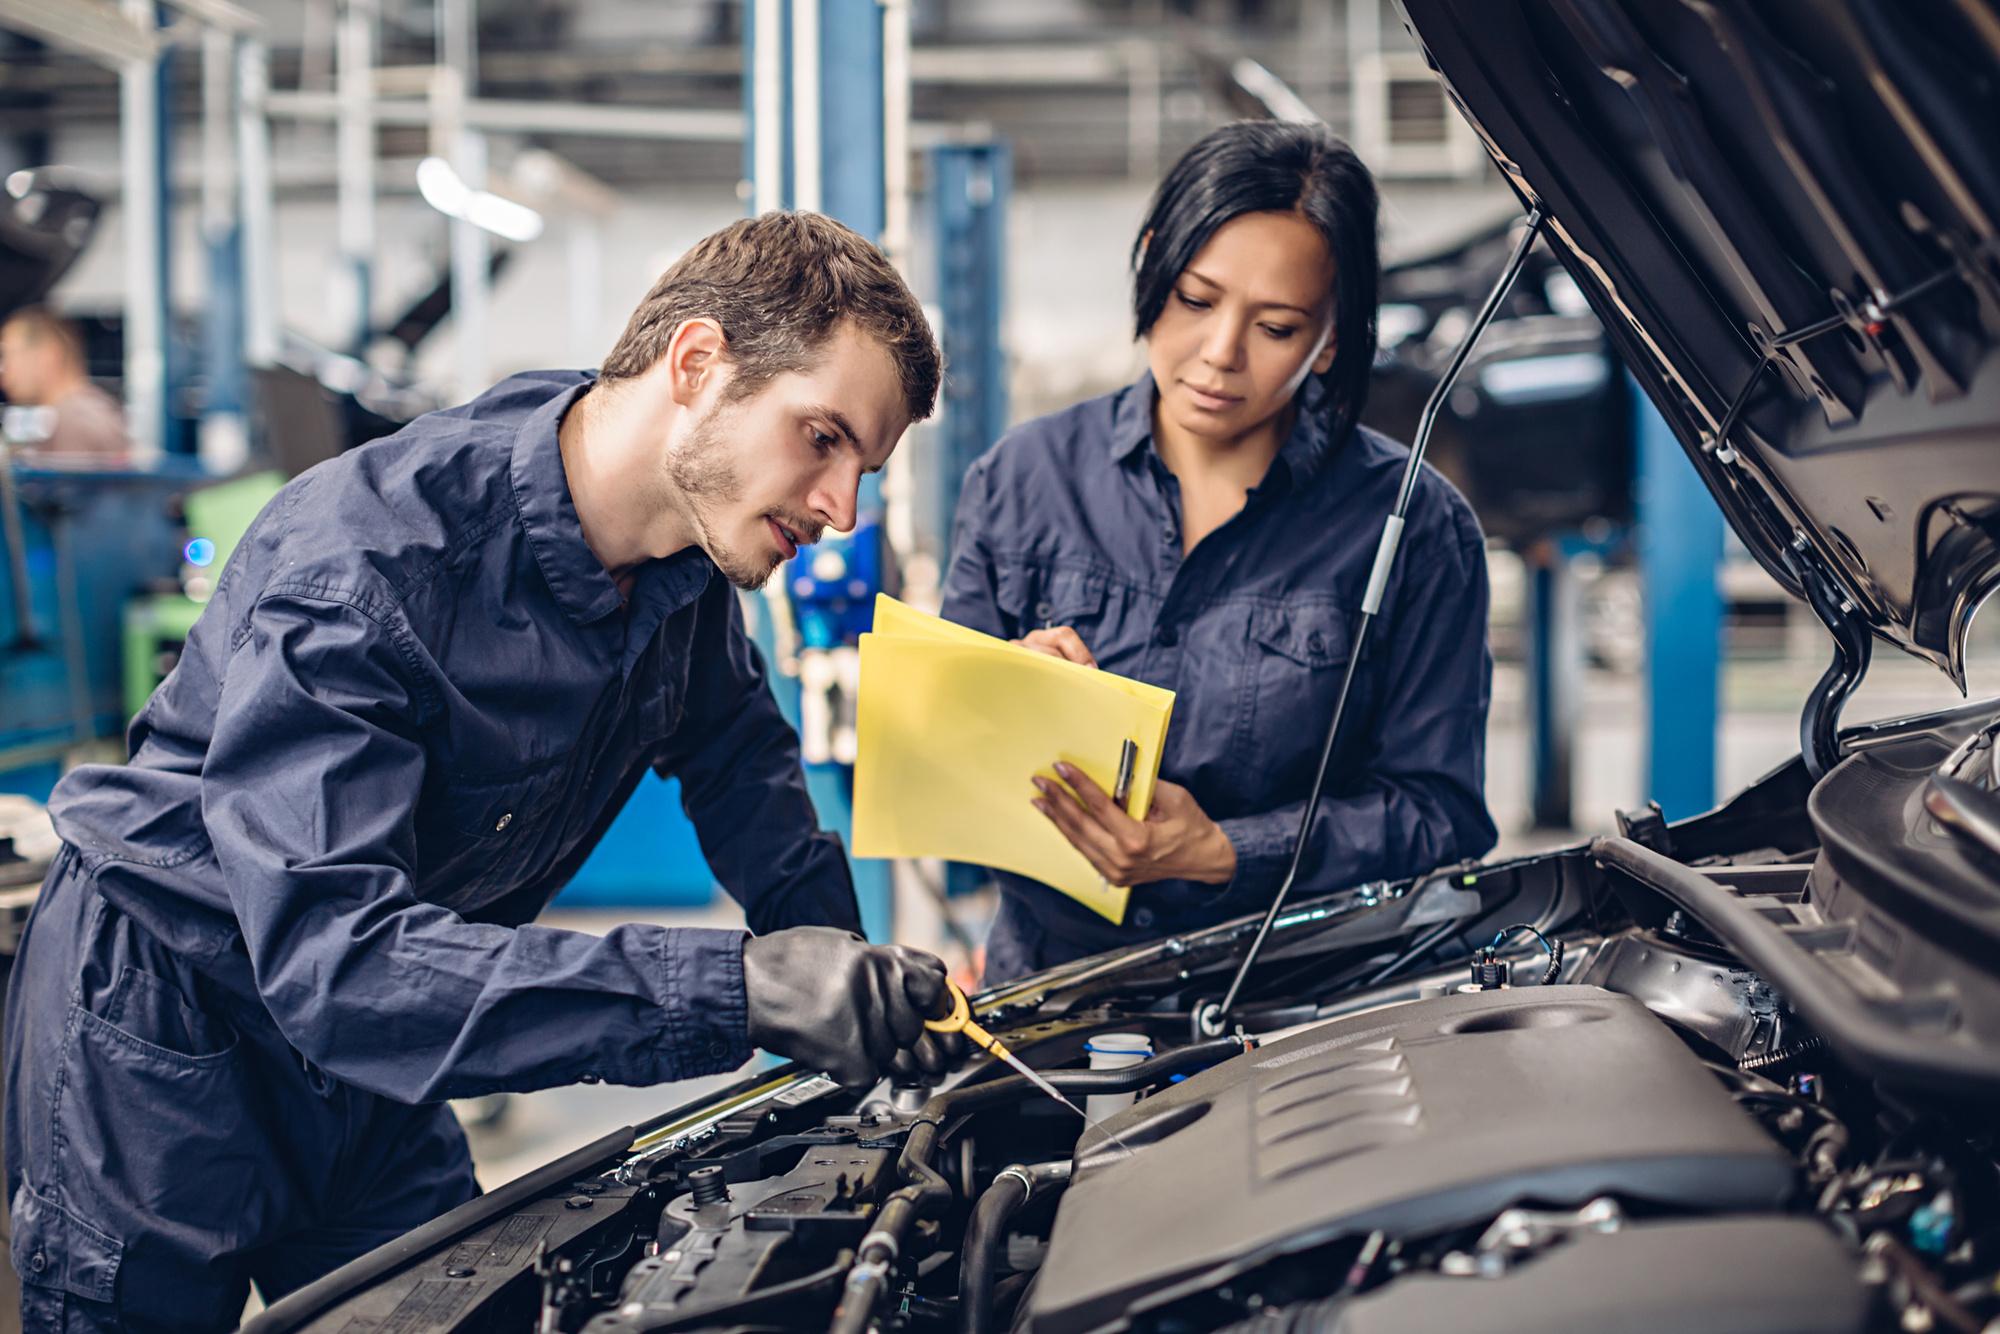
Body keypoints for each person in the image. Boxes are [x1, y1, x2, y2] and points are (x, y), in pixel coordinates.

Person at [3, 211, 954, 1331]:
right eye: (822, 438)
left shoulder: (678, 558)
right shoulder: (366, 566)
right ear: (696, 365)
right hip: (168, 1036)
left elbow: (741, 766)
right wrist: (737, 987)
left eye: (865, 466)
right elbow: (335, 962)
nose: (842, 510)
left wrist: (851, 989)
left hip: (383, 1041)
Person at [942, 121, 1498, 983]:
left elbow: (1442, 817)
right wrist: (1008, 700)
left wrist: (1222, 851)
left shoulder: (1414, 525)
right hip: (1053, 989)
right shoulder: (1022, 482)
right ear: (1152, 262)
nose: (1219, 354)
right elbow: (943, 768)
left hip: (1290, 1007)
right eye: (1196, 301)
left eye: (1276, 326)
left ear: (1332, 340)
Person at [0, 306, 130, 460]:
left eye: (8, 355)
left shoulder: (75, 423)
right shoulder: (87, 411)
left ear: (48, 355)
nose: (4, 370)